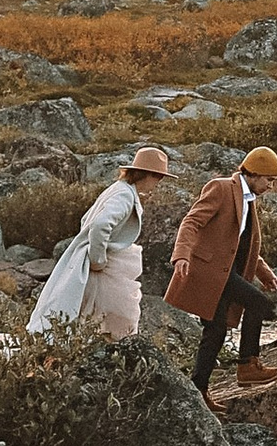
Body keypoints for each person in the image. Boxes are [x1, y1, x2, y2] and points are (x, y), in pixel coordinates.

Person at [26, 145, 171, 344]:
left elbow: (87, 219)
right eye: (158, 177)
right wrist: (98, 259)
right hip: (101, 266)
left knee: (89, 312)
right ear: (146, 174)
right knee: (122, 313)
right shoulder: (124, 195)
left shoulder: (120, 189)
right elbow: (100, 224)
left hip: (95, 261)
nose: (159, 182)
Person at [169, 144, 277, 392]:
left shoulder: (249, 199)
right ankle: (247, 365)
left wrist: (264, 272)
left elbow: (238, 243)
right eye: (269, 180)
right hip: (209, 272)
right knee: (259, 304)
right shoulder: (221, 188)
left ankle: (199, 391)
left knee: (216, 332)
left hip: (225, 273)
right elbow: (191, 222)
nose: (270, 186)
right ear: (253, 173)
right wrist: (181, 256)